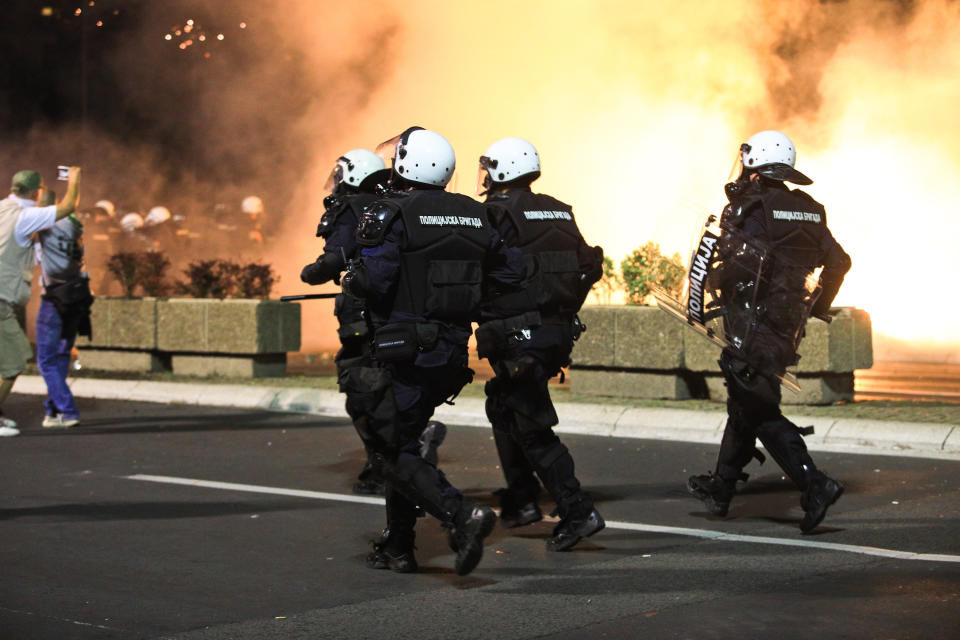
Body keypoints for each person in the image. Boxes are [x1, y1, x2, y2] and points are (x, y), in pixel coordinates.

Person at [340, 127, 526, 575]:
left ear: (405, 164)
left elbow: (374, 282)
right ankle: (399, 546)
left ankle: (463, 516)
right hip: (450, 356)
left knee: (390, 452)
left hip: (403, 353)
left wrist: (352, 279)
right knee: (404, 444)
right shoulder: (476, 214)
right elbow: (511, 273)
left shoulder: (393, 213)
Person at [686, 130, 851, 533]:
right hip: (786, 325)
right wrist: (817, 306)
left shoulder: (751, 206)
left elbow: (740, 262)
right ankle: (721, 488)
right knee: (745, 401)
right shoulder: (811, 209)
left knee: (758, 408)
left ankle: (814, 483)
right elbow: (840, 262)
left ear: (754, 160)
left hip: (751, 324)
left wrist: (714, 280)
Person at [474, 137, 606, 551]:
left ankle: (577, 510)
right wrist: (562, 311)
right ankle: (522, 497)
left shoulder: (496, 213)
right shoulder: (558, 210)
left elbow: (476, 267)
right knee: (502, 404)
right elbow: (590, 264)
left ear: (502, 170)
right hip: (554, 333)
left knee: (531, 427)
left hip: (520, 336)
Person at [300, 149, 446, 495]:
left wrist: (312, 272)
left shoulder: (351, 210)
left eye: (340, 174)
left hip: (363, 320)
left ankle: (394, 458)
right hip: (395, 316)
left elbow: (336, 258)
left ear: (353, 174)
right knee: (381, 387)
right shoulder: (393, 204)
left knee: (363, 392)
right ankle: (393, 454)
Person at [0, 167, 82, 436]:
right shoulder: (27, 217)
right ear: (35, 192)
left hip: (15, 298)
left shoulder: (3, 208)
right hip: (4, 299)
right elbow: (69, 206)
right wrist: (74, 178)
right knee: (15, 361)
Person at [35, 189, 94, 428]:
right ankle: (54, 410)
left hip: (54, 299)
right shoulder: (74, 225)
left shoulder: (46, 224)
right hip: (76, 297)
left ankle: (68, 410)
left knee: (46, 360)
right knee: (60, 355)